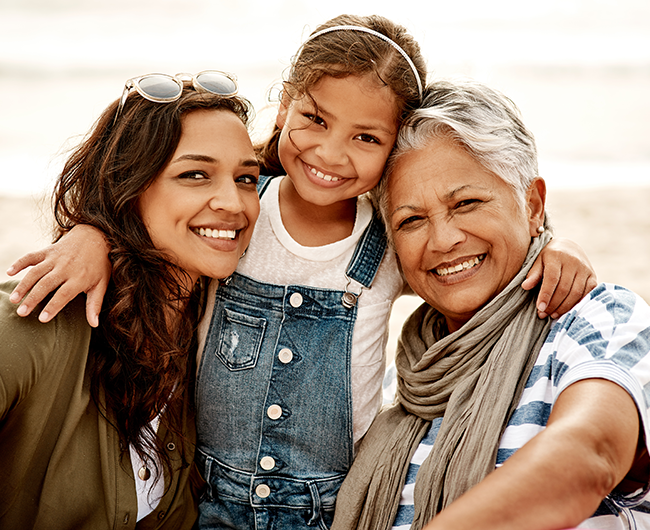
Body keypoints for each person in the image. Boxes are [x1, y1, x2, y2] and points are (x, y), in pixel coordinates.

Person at [6, 15, 596, 530]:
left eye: (366, 137)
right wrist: (93, 235)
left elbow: (463, 259)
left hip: (331, 505)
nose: (331, 154)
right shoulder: (241, 211)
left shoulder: (389, 239)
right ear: (284, 105)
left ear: (392, 150)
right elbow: (156, 226)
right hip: (208, 499)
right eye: (315, 119)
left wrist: (555, 244)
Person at [331, 78, 650, 530]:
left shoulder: (597, 319)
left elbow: (589, 456)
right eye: (411, 220)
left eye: (466, 203)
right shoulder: (399, 388)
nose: (443, 240)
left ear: (533, 204)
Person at [0, 72, 260, 529]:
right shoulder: (34, 318)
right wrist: (93, 227)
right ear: (131, 186)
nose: (232, 202)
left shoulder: (209, 336)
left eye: (246, 178)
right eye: (195, 174)